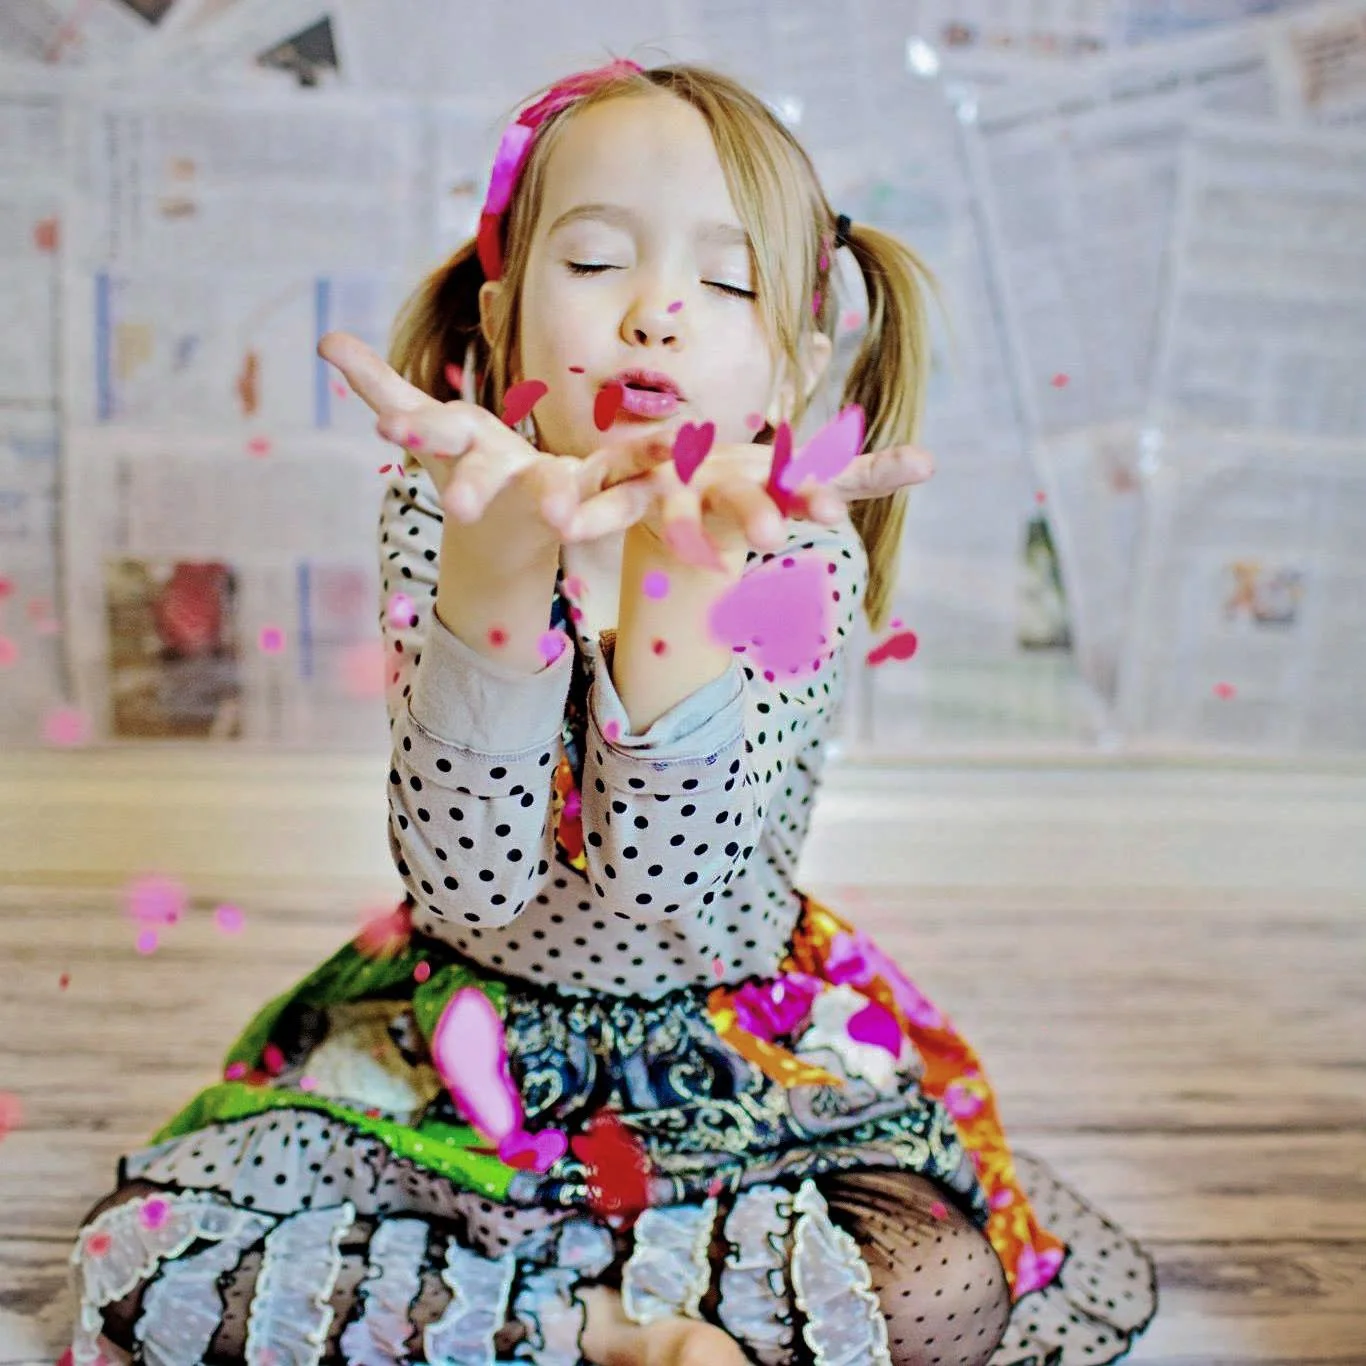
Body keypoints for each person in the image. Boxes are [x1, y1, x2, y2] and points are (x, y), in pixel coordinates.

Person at [68, 59, 1156, 1366]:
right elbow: (466, 888)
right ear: (500, 320)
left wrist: (677, 582)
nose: (655, 313)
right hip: (469, 1053)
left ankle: (517, 1307)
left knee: (936, 1291)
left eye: (727, 281)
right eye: (592, 262)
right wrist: (498, 576)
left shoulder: (800, 562)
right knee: (159, 1264)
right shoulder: (447, 511)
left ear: (795, 368)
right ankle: (594, 1329)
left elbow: (665, 889)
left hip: (727, 1060)